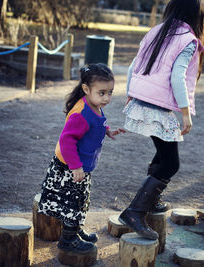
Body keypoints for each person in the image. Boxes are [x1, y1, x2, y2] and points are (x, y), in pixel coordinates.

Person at [118, 0, 204, 239]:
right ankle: (135, 212)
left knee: (163, 154)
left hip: (141, 101)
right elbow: (178, 76)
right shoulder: (187, 40)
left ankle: (153, 200)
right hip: (157, 107)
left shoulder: (157, 30)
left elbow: (132, 67)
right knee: (171, 164)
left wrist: (130, 95)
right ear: (195, 14)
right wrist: (186, 114)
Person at [38, 63, 125, 253]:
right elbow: (66, 140)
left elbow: (96, 124)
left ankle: (75, 230)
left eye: (110, 92)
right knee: (71, 204)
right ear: (86, 89)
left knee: (81, 200)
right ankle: (68, 240)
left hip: (81, 166)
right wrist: (75, 166)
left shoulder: (94, 104)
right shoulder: (80, 114)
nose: (107, 98)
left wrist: (108, 131)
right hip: (70, 168)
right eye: (102, 93)